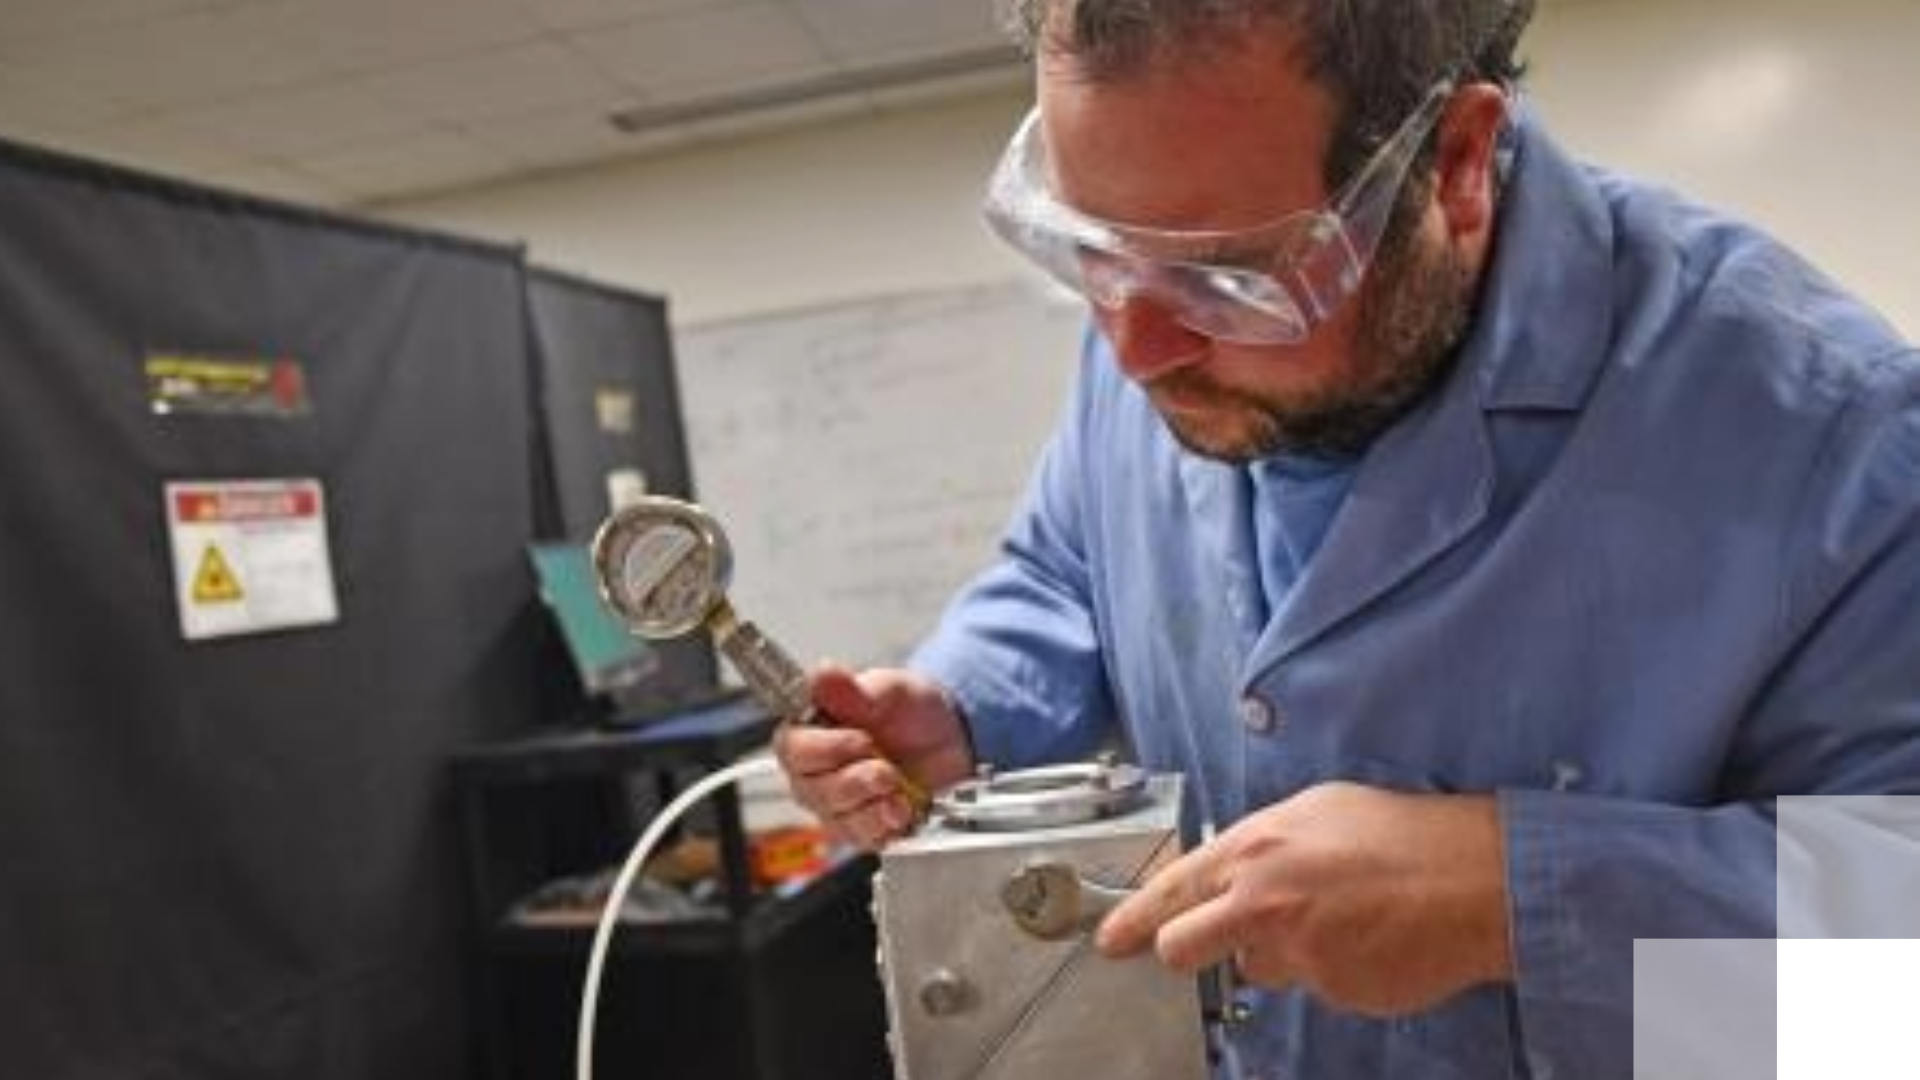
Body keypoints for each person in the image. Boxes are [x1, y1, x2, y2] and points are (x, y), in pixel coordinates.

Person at [774, 0, 1920, 1076]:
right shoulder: (1154, 325)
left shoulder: (1831, 435)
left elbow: (1892, 1014)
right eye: (1090, 250)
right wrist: (970, 708)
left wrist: (1516, 902)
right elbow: (1065, 567)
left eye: (1225, 275)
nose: (1136, 350)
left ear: (1458, 165)